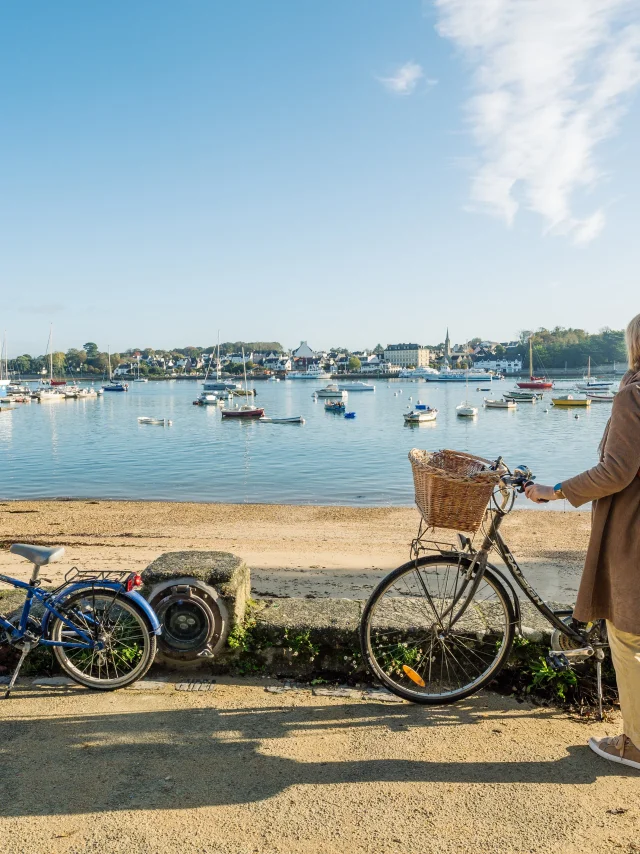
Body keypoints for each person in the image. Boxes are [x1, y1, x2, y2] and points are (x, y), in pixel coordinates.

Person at [525, 313, 640, 771]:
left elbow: (615, 472)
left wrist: (555, 491)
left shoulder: (632, 395)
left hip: (633, 529)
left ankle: (635, 745)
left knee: (629, 634)